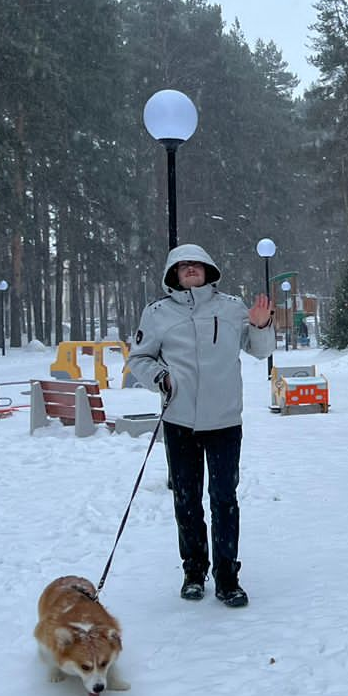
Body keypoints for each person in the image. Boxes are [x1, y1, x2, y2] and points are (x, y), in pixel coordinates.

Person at [127, 243, 275, 607]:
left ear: (209, 270)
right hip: (179, 420)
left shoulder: (231, 308)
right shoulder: (157, 313)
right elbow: (139, 359)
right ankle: (194, 571)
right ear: (173, 274)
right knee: (186, 499)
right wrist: (159, 377)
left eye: (196, 264)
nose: (190, 269)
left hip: (224, 420)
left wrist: (261, 325)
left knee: (224, 499)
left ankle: (227, 577)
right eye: (183, 266)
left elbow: (259, 349)